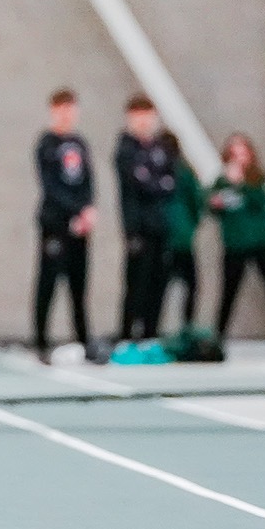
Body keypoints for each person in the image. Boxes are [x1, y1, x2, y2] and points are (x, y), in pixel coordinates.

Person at [209, 133, 265, 337]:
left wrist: (241, 184)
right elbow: (211, 205)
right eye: (234, 153)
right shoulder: (221, 182)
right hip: (234, 245)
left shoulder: (259, 178)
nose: (239, 158)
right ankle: (219, 334)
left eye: (242, 152)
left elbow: (260, 200)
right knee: (228, 292)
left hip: (261, 242)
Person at [32, 89, 95, 363]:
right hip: (54, 224)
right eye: (62, 109)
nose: (67, 114)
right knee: (48, 282)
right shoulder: (46, 144)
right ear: (53, 111)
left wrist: (88, 210)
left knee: (79, 285)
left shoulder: (80, 143)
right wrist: (73, 211)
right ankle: (41, 341)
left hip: (80, 227)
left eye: (71, 109)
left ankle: (84, 339)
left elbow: (88, 180)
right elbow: (51, 187)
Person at [114, 95, 175, 348]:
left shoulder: (161, 147)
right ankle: (128, 336)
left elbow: (171, 183)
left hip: (161, 226)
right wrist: (155, 182)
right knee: (136, 285)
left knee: (158, 283)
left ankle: (151, 335)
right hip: (138, 229)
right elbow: (141, 183)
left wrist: (154, 182)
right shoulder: (126, 149)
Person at [163, 132, 205, 330]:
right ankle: (187, 325)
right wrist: (190, 224)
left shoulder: (163, 170)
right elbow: (197, 201)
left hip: (165, 237)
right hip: (181, 237)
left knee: (158, 288)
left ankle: (153, 329)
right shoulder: (184, 171)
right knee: (191, 285)